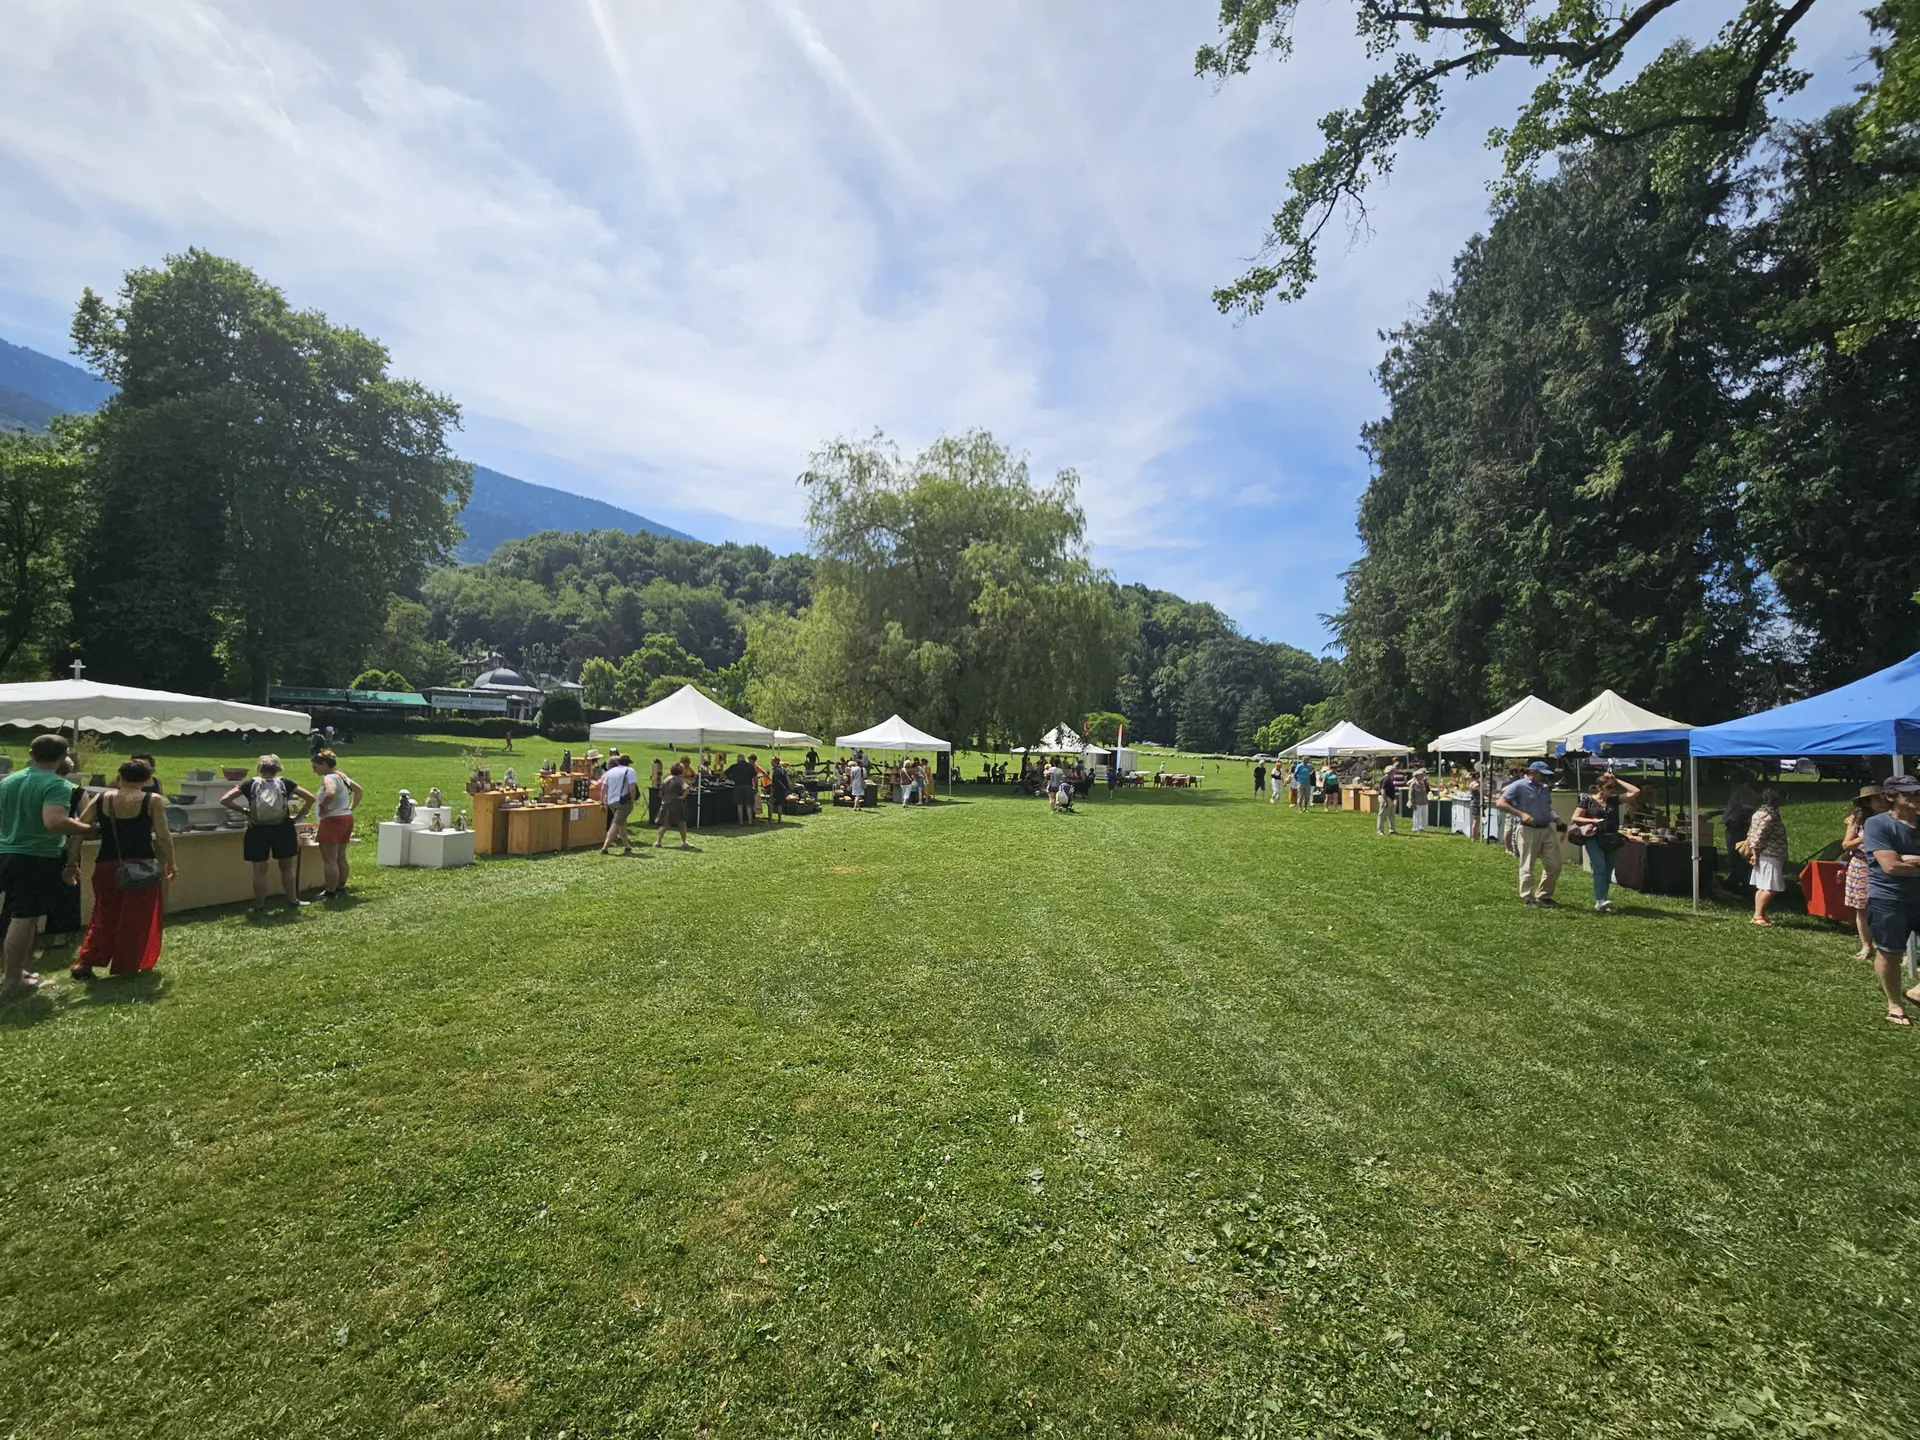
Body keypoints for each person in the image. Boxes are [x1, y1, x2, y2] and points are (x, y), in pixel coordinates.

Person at [0, 734, 93, 998]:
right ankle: (13, 981)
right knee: (24, 918)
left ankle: (16, 971)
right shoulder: (56, 784)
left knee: (16, 917)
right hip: (35, 857)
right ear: (64, 758)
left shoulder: (8, 781)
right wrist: (86, 827)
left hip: (4, 852)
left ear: (31, 752)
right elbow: (54, 821)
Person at [71, 759, 177, 978]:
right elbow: (163, 836)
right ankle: (125, 965)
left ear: (119, 776)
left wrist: (72, 861)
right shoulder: (152, 800)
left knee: (103, 914)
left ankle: (87, 961)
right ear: (148, 779)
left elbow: (79, 829)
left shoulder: (102, 798)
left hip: (107, 864)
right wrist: (171, 861)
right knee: (135, 918)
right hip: (141, 866)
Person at [220, 755, 314, 913]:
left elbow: (225, 799)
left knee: (259, 869)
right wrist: (298, 817)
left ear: (259, 768)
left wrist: (245, 811)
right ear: (278, 768)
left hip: (257, 829)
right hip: (283, 828)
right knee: (287, 867)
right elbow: (310, 798)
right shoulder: (286, 783)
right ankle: (292, 900)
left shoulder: (249, 783)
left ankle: (259, 905)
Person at [1862, 774, 1920, 1026]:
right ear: (1892, 798)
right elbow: (1891, 867)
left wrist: (1910, 861)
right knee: (1891, 953)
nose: (1917, 797)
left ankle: (1916, 991)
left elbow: (1900, 863)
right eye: (1911, 793)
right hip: (1889, 898)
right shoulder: (1878, 824)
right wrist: (1902, 861)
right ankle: (1895, 1005)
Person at [1570, 770, 1639, 913]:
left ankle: (1603, 899)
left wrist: (1616, 779)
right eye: (1609, 787)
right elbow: (1576, 818)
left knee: (1608, 869)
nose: (1612, 790)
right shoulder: (1588, 801)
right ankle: (1600, 900)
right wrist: (1592, 820)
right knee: (1599, 867)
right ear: (1599, 787)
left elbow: (1635, 791)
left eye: (1613, 787)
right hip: (1593, 837)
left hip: (1611, 838)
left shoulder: (1614, 800)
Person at [1496, 760, 1561, 905]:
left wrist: (1558, 820)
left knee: (1554, 864)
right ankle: (1527, 897)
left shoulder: (1544, 788)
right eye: (1542, 775)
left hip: (1546, 828)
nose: (1545, 778)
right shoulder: (1518, 786)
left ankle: (1544, 895)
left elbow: (1547, 808)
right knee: (1527, 865)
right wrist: (1521, 814)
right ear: (1532, 773)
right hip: (1527, 829)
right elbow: (1500, 803)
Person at [310, 750, 362, 900]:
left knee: (330, 859)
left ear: (324, 764)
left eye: (316, 767)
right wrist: (351, 807)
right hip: (346, 817)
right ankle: (341, 887)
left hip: (332, 820)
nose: (315, 771)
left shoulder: (329, 778)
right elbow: (359, 791)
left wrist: (323, 807)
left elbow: (330, 792)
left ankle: (330, 891)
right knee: (341, 856)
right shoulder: (342, 775)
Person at [1842, 788, 1886, 961]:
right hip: (1861, 865)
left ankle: (1893, 947)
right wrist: (1863, 838)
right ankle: (1866, 946)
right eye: (1878, 799)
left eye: (1884, 799)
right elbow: (1845, 845)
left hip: (1883, 866)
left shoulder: (1891, 817)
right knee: (1861, 908)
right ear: (1868, 802)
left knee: (1886, 907)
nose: (1883, 802)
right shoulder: (1857, 821)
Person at [1741, 787, 1790, 927]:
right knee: (1771, 887)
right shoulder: (1767, 816)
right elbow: (1758, 837)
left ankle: (1760, 914)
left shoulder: (1762, 813)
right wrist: (1755, 854)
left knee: (1762, 886)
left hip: (1767, 854)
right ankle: (1757, 915)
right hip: (1769, 854)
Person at [1721, 769, 1760, 894]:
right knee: (1734, 855)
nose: (1729, 780)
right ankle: (1739, 880)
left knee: (1737, 855)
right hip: (1734, 827)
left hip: (1738, 828)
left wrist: (1738, 821)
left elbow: (1748, 809)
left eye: (1732, 777)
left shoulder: (1745, 792)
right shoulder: (1738, 791)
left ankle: (1738, 881)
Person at [600, 751, 639, 854]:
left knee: (621, 823)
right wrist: (632, 801)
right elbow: (632, 788)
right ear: (628, 762)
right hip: (623, 802)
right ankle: (605, 847)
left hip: (611, 802)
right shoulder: (630, 771)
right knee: (616, 824)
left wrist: (602, 802)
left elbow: (603, 788)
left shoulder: (610, 772)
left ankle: (626, 845)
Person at [655, 760, 692, 848]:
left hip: (665, 804)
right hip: (676, 805)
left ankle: (658, 841)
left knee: (664, 824)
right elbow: (687, 788)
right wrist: (682, 797)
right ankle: (684, 842)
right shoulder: (680, 779)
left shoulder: (666, 779)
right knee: (682, 823)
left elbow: (661, 793)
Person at [727, 753, 758, 827]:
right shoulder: (750, 766)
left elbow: (725, 774)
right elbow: (755, 778)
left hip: (738, 787)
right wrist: (756, 787)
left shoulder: (734, 766)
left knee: (739, 806)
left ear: (738, 759)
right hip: (748, 787)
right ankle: (750, 821)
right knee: (748, 805)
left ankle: (741, 822)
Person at [1376, 761, 1402, 836]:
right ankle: (1380, 830)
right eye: (1394, 771)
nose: (1395, 772)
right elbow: (1382, 790)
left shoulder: (1389, 778)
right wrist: (1385, 801)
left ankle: (1392, 830)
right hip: (1385, 798)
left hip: (1389, 798)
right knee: (1382, 815)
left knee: (1391, 815)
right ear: (1391, 771)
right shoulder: (1386, 779)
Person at [1408, 766, 1431, 833]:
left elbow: (1425, 793)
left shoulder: (1423, 783)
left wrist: (1427, 801)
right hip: (1417, 802)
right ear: (1417, 776)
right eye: (1421, 775)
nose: (1422, 776)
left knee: (1424, 815)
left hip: (1424, 801)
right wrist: (1412, 802)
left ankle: (1422, 827)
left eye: (1422, 775)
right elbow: (1411, 794)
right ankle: (1415, 828)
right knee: (1416, 815)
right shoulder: (1413, 784)